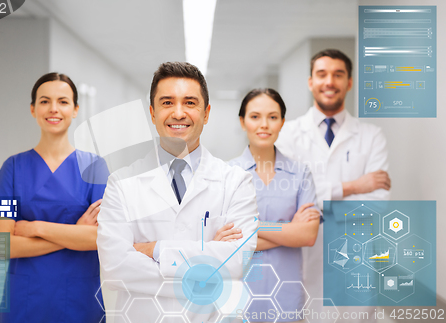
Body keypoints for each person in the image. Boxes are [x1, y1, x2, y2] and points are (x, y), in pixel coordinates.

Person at [97, 62, 259, 322]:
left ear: (206, 113)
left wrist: (157, 250)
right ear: (152, 112)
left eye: (190, 103)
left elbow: (237, 261)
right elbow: (116, 267)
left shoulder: (236, 182)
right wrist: (207, 264)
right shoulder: (121, 183)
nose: (179, 113)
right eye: (167, 102)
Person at [275, 49, 391, 323]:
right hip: (303, 256)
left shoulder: (372, 136)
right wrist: (353, 186)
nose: (330, 81)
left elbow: (377, 203)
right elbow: (287, 199)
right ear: (310, 82)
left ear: (349, 82)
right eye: (322, 74)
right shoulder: (288, 134)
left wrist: (315, 205)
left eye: (338, 75)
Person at [0, 73, 109, 322]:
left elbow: (99, 238)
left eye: (63, 101)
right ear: (33, 109)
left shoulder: (96, 167)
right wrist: (74, 233)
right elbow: (1, 246)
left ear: (75, 110)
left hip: (79, 298)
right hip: (24, 300)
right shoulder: (10, 167)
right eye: (44, 101)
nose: (53, 108)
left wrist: (35, 227)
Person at [228, 89, 320, 323]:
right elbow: (226, 242)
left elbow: (308, 235)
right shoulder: (226, 175)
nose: (264, 125)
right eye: (255, 116)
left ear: (282, 123)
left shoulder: (301, 174)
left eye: (273, 117)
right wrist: (289, 230)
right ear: (242, 122)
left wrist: (250, 227)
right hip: (238, 302)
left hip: (287, 301)